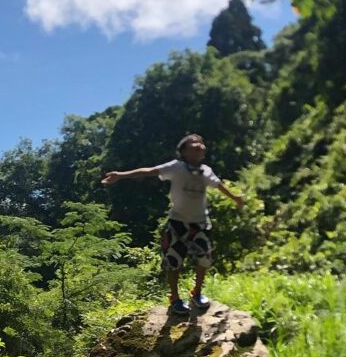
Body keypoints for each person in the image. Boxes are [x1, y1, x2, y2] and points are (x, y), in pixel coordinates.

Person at [101, 133, 244, 315]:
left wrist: (235, 198)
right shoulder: (176, 167)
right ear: (183, 151)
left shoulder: (206, 170)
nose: (199, 145)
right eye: (194, 143)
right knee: (174, 260)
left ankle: (196, 292)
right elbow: (149, 171)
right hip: (177, 222)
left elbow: (218, 185)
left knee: (204, 259)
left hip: (200, 222)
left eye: (201, 143)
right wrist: (120, 175)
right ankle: (175, 298)